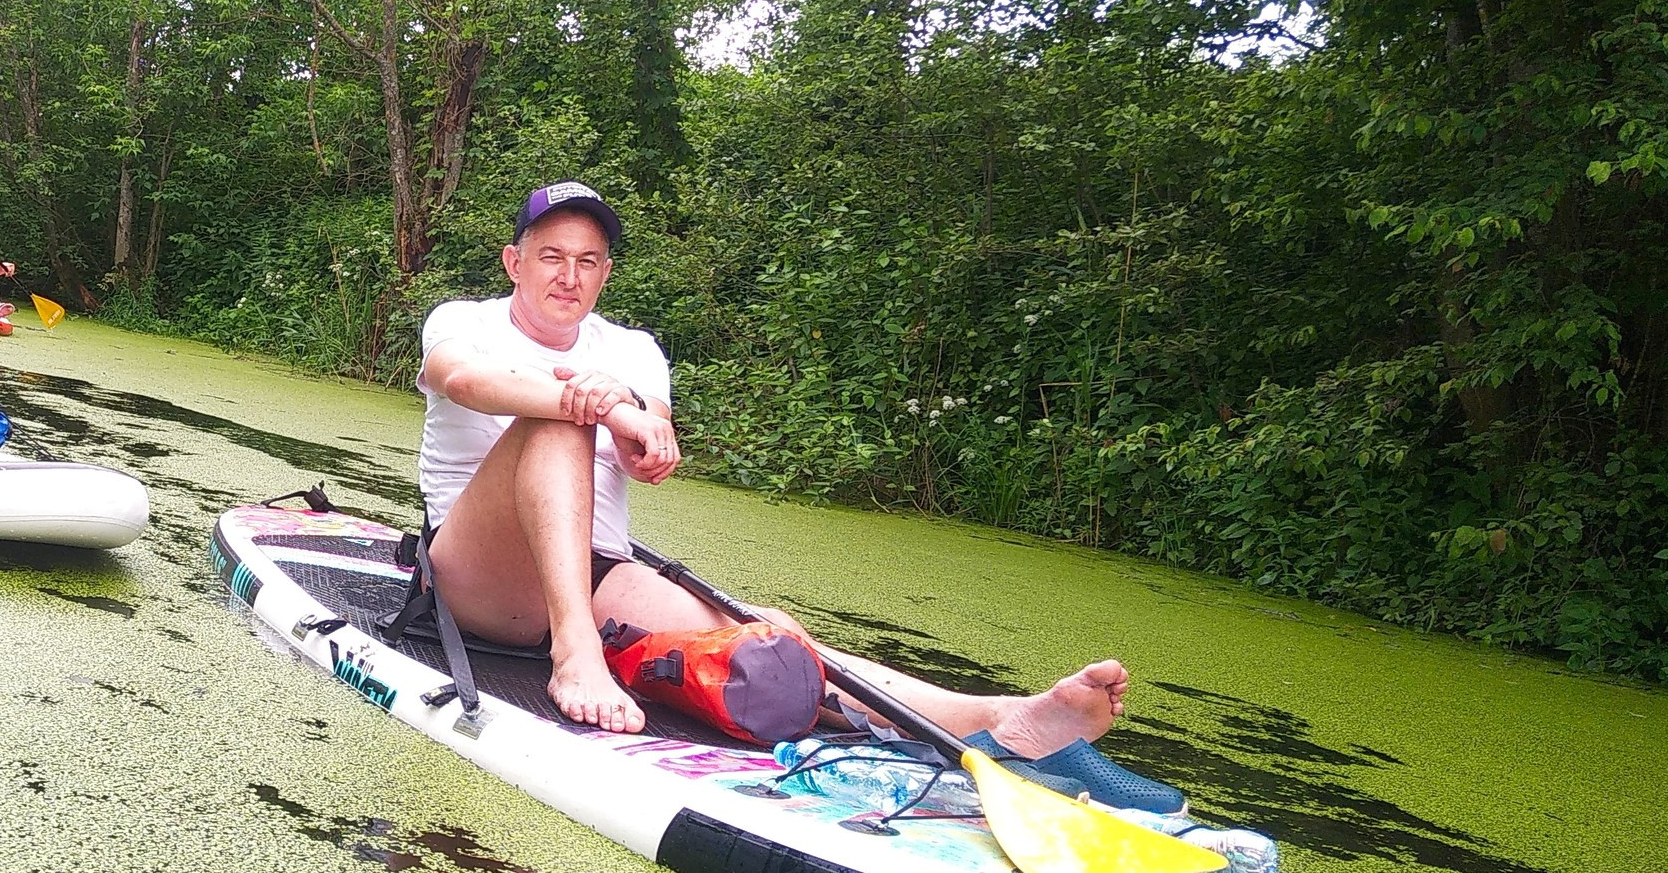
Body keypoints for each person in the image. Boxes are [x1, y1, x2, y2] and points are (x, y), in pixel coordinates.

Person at [418, 180, 1134, 743]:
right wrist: (599, 404)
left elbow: (652, 455)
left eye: (587, 261)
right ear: (515, 262)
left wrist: (637, 423)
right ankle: (577, 655)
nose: (568, 276)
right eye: (551, 256)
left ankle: (991, 716)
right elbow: (463, 382)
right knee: (558, 420)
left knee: (769, 636)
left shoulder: (632, 349)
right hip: (481, 574)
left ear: (605, 273)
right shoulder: (464, 320)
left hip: (597, 570)